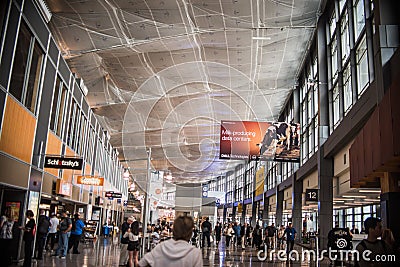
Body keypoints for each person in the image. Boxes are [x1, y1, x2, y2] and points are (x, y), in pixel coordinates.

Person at [138, 215, 202, 267]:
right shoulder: (195, 253)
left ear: (174, 230)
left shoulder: (161, 247)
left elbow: (142, 264)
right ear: (190, 233)